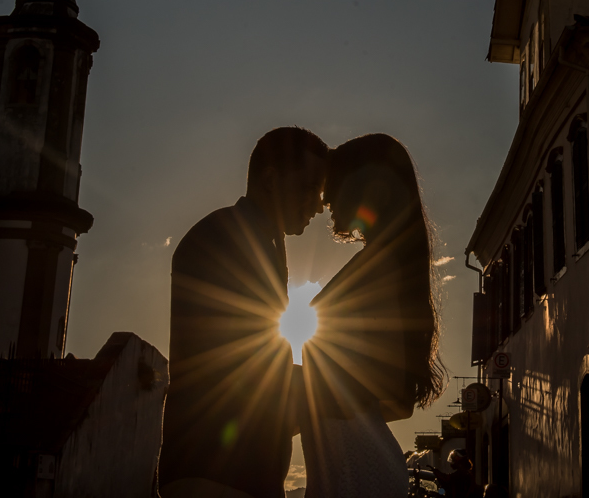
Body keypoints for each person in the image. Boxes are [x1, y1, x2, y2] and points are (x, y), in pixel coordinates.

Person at [158, 127, 329, 498]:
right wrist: (336, 388)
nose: (318, 205)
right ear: (271, 180)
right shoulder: (224, 240)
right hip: (214, 476)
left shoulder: (260, 240)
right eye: (309, 188)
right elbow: (246, 366)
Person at [300, 134, 447, 498]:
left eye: (332, 187)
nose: (325, 199)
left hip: (354, 464)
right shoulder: (388, 264)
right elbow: (396, 402)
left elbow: (383, 392)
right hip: (351, 457)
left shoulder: (380, 268)